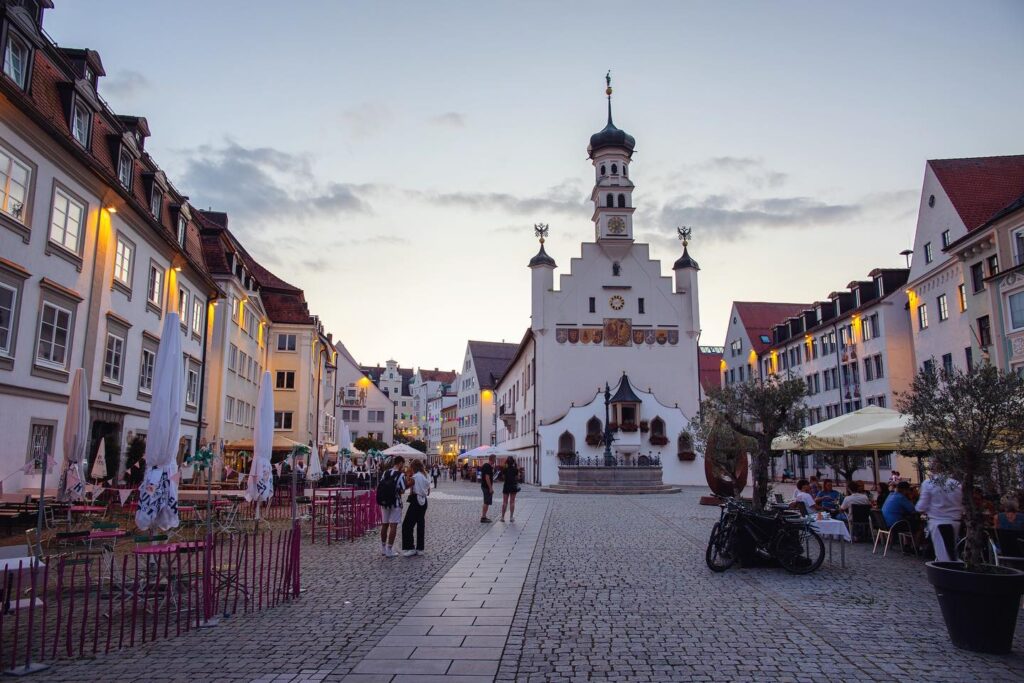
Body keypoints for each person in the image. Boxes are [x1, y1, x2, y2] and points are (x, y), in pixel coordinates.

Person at [916, 475, 963, 562]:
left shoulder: (929, 483)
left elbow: (921, 507)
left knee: (945, 557)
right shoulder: (957, 484)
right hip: (955, 521)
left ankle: (949, 573)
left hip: (938, 522)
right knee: (950, 552)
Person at [376, 455, 406, 557]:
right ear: (400, 463)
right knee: (393, 525)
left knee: (384, 524)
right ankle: (389, 550)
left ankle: (383, 548)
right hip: (395, 503)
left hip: (384, 502)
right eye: (403, 464)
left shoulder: (385, 472)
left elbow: (380, 484)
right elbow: (402, 489)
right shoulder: (400, 475)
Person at [402, 460, 430, 557]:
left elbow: (405, 486)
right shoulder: (425, 476)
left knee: (407, 524)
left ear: (413, 467)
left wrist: (407, 476)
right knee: (420, 524)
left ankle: (410, 547)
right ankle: (420, 549)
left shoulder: (415, 476)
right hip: (424, 500)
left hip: (415, 500)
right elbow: (428, 491)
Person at [500, 456, 520, 523]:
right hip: (513, 486)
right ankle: (511, 517)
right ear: (513, 462)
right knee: (512, 502)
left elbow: (503, 477)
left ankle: (502, 517)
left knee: (504, 502)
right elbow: (517, 478)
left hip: (506, 486)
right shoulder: (515, 469)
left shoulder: (504, 469)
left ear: (507, 462)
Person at [480, 454, 496, 523]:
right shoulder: (487, 466)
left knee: (486, 502)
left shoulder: (486, 466)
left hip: (485, 486)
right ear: (493, 459)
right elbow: (487, 478)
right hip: (486, 487)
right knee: (486, 502)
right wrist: (490, 488)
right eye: (495, 459)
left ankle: (484, 516)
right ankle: (483, 517)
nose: (495, 461)